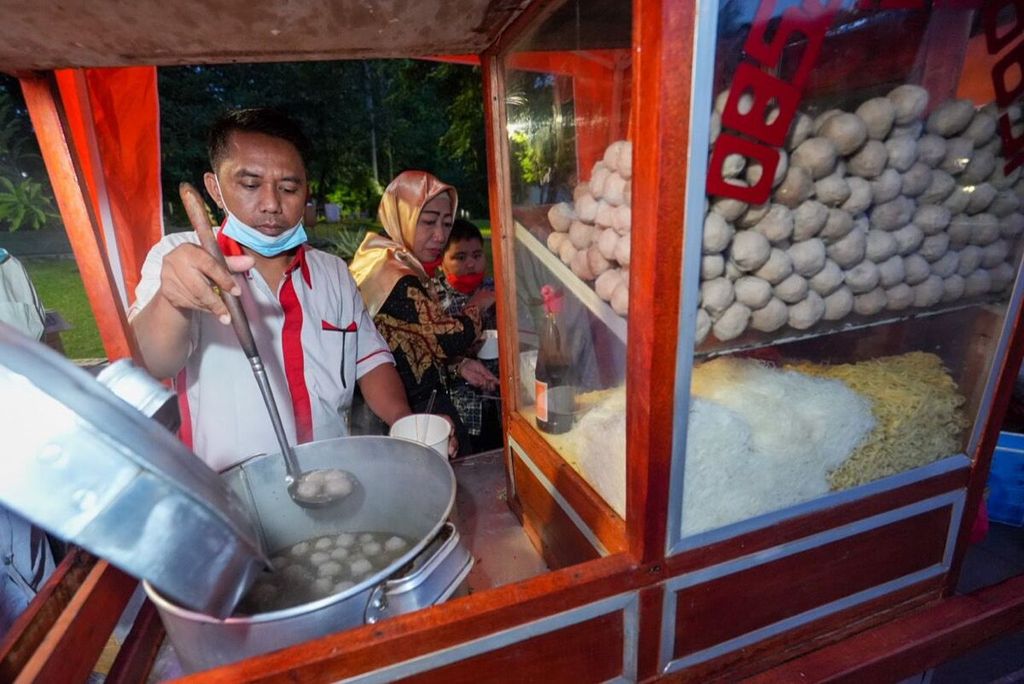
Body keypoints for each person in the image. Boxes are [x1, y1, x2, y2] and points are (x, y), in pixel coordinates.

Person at [129, 108, 414, 471]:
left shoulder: (333, 273)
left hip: (331, 480)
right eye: (250, 184)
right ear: (215, 188)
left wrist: (404, 420)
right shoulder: (181, 258)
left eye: (288, 188)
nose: (271, 204)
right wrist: (173, 302)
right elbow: (152, 361)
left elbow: (368, 360)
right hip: (230, 492)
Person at [349, 171, 497, 456]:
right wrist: (478, 304)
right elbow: (447, 339)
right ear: (402, 215)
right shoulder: (394, 274)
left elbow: (413, 339)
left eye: (446, 223)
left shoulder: (390, 260)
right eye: (428, 222)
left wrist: (458, 366)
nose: (440, 236)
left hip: (418, 405)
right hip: (408, 415)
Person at [436, 219, 504, 451]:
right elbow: (434, 352)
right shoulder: (433, 300)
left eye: (477, 255)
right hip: (462, 413)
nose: (471, 264)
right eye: (460, 257)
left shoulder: (496, 289)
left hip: (499, 403)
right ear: (441, 261)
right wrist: (474, 309)